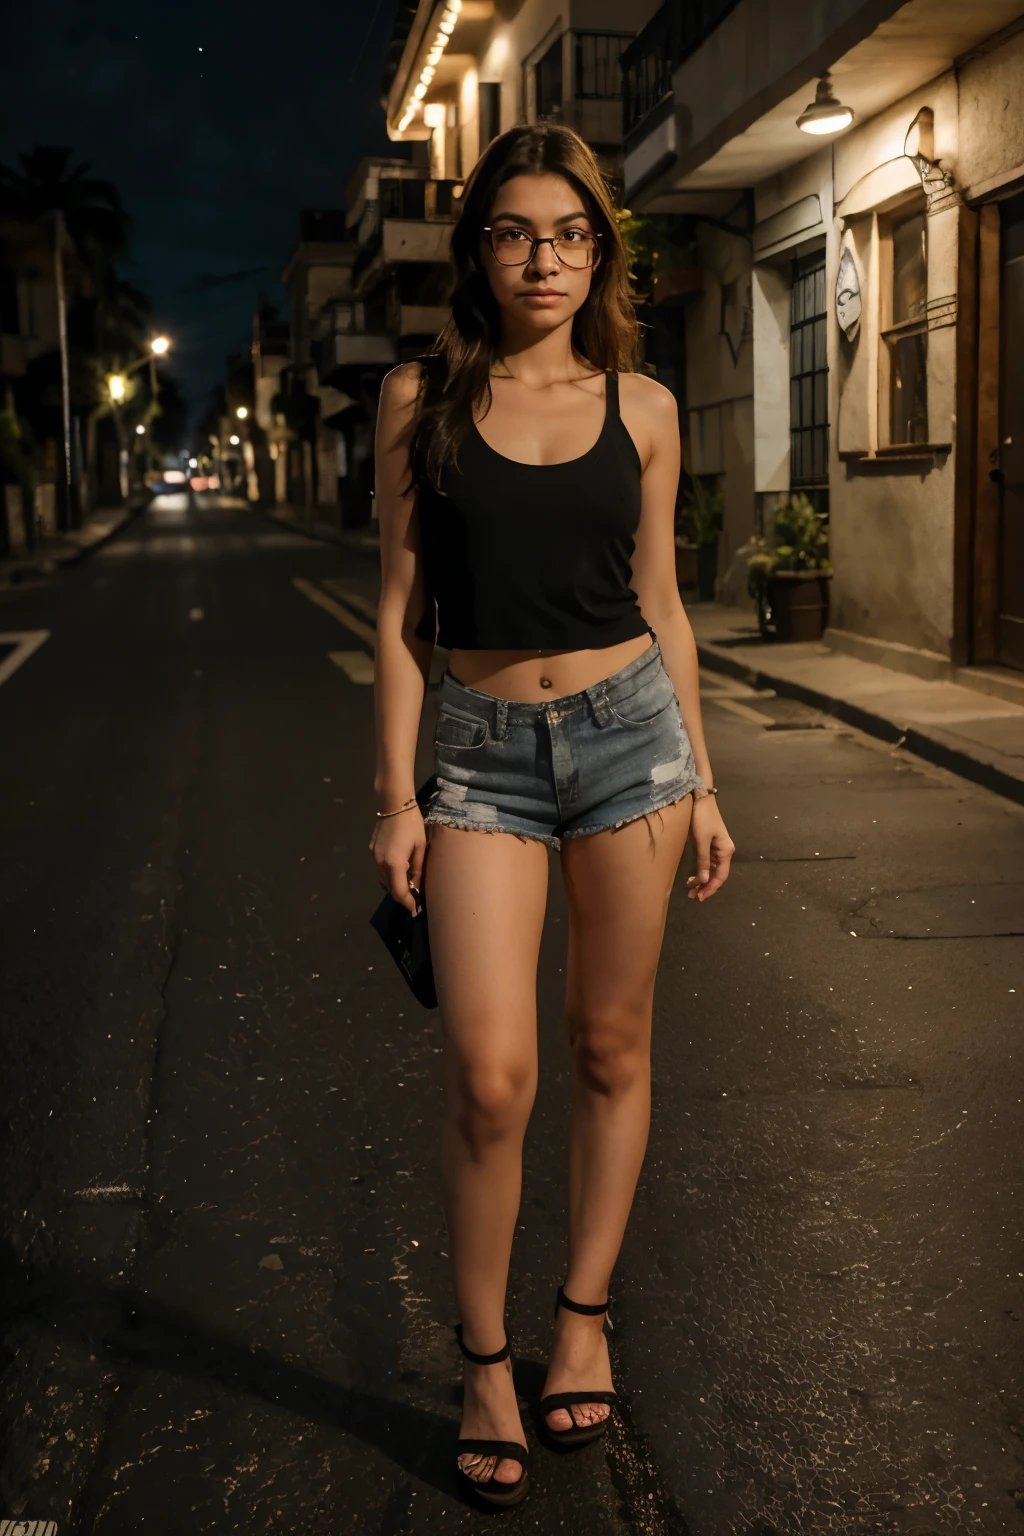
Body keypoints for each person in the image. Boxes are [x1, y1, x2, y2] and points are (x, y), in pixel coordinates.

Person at [370, 123, 735, 1508]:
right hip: (477, 757)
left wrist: (701, 776)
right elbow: (401, 616)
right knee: (489, 1076)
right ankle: (481, 1358)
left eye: (570, 233)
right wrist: (394, 798)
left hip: (631, 742)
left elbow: (664, 603)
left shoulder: (642, 408)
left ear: (601, 252)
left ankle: (580, 1318)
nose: (545, 258)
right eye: (517, 232)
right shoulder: (420, 399)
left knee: (608, 1044)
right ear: (480, 250)